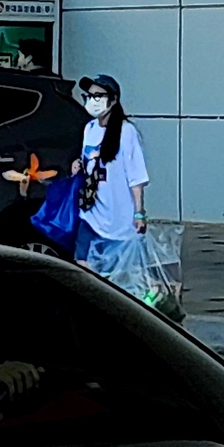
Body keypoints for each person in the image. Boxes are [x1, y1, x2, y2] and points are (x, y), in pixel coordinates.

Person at [72, 74, 149, 291]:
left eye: (99, 95)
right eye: (89, 95)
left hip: (119, 220)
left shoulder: (127, 132)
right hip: (91, 213)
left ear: (113, 100)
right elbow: (88, 163)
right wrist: (79, 166)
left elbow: (136, 177)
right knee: (82, 264)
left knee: (118, 279)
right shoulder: (89, 129)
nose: (92, 100)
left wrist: (139, 212)